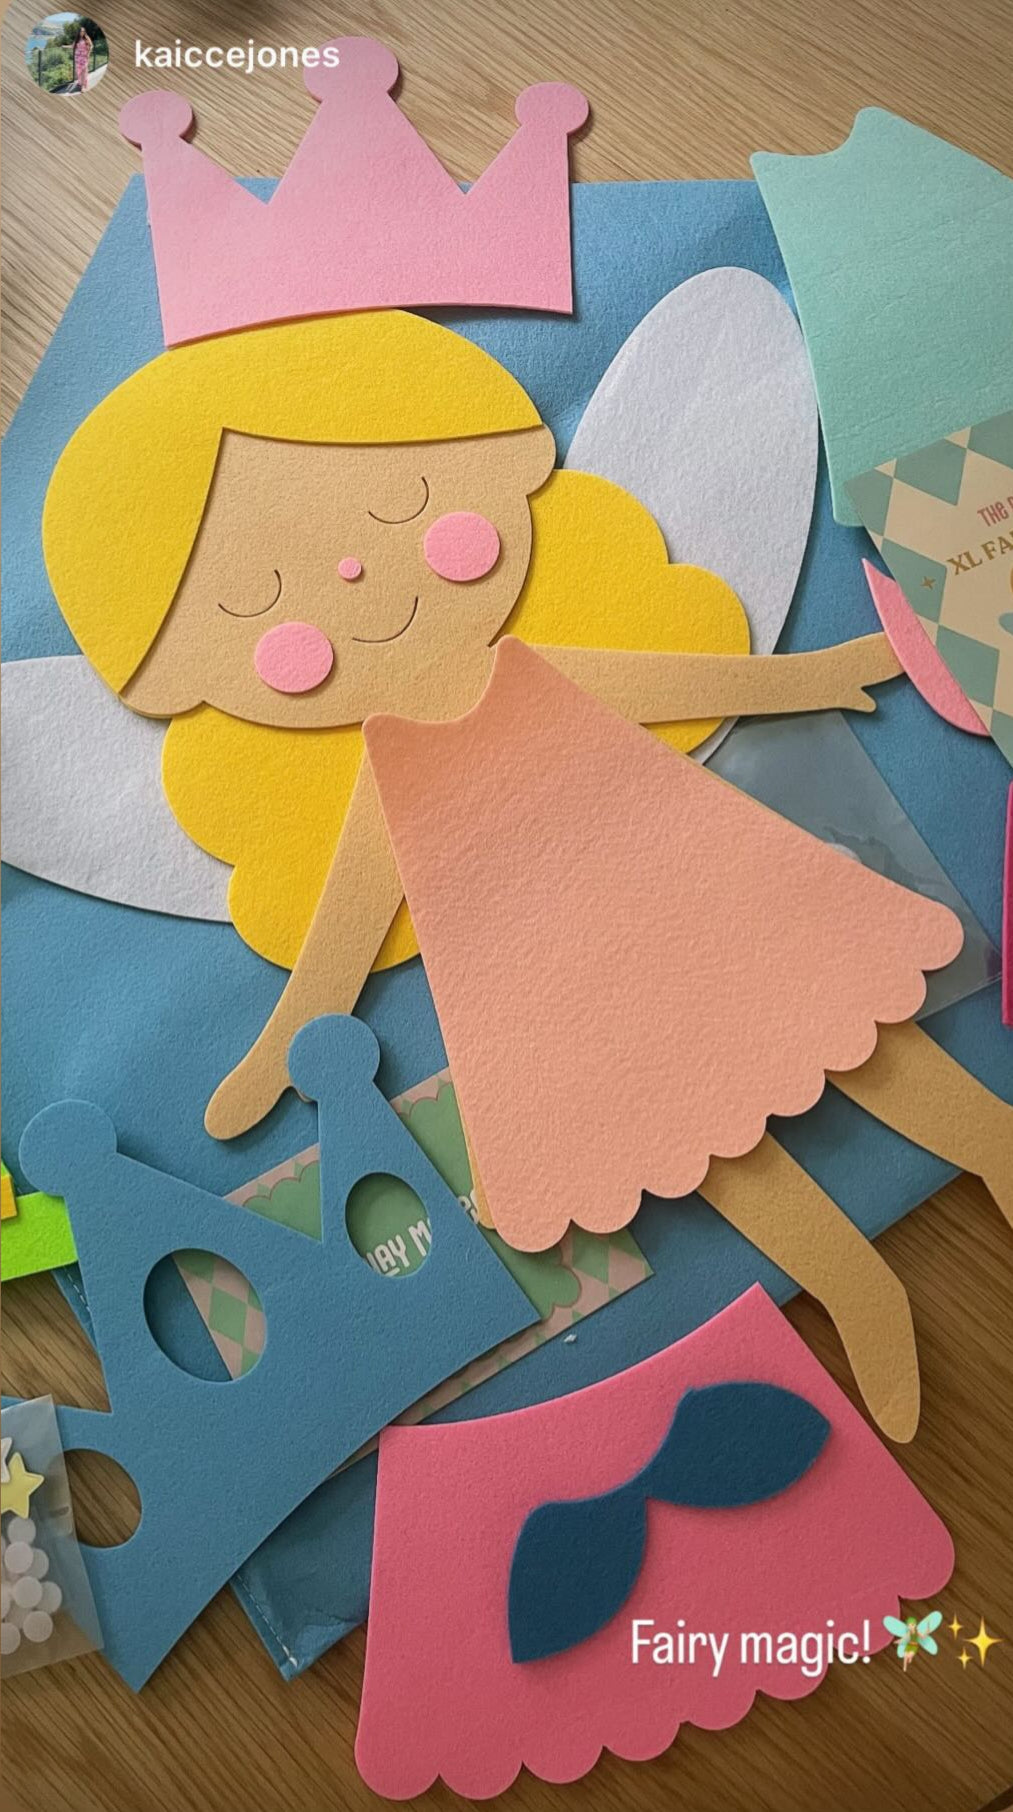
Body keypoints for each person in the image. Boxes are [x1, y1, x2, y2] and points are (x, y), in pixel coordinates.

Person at [42, 310, 1013, 1437]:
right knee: (692, 1135)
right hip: (573, 997)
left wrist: (818, 673)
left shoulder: (527, 668)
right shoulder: (387, 771)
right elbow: (350, 920)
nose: (354, 571)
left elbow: (679, 681)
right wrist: (278, 1051)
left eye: (401, 507)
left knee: (836, 1027)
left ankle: (991, 1154)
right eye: (257, 599)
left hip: (702, 895)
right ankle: (857, 1292)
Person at [73, 25, 92, 93]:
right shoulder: (77, 39)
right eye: (81, 31)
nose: (82, 32)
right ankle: (80, 82)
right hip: (77, 57)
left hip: (84, 57)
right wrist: (63, 46)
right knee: (79, 71)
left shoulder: (86, 37)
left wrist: (88, 53)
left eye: (83, 31)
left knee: (84, 71)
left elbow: (91, 45)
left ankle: (83, 86)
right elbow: (72, 46)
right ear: (79, 32)